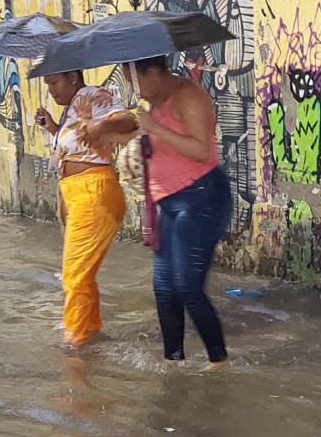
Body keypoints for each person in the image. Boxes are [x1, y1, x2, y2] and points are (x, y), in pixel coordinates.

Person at [90, 55, 231, 367]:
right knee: (164, 287)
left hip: (201, 199)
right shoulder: (154, 101)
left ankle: (219, 361)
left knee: (187, 286)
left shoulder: (189, 96)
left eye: (133, 79)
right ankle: (173, 361)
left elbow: (200, 149)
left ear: (152, 72)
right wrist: (105, 134)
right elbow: (141, 132)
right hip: (169, 203)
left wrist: (153, 126)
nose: (132, 87)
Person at [33, 70, 131, 347]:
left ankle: (73, 347)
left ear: (73, 77)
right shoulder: (72, 108)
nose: (51, 90)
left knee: (74, 275)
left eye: (54, 82)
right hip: (80, 194)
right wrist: (52, 126)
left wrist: (102, 127)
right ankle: (90, 332)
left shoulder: (91, 96)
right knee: (81, 273)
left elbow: (129, 119)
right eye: (47, 84)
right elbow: (78, 147)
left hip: (93, 193)